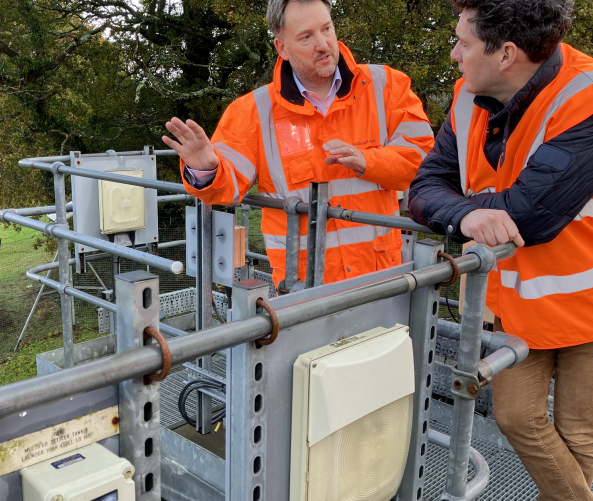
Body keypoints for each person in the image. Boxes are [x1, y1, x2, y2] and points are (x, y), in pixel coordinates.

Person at [407, 1, 593, 501]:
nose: (454, 55)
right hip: (519, 300)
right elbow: (423, 190)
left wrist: (463, 205)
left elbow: (528, 217)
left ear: (507, 54)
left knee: (577, 428)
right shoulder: (468, 98)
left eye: (463, 43)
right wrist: (469, 210)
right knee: (517, 417)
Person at [162, 0, 434, 289]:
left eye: (326, 29)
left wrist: (368, 162)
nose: (323, 44)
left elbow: (423, 163)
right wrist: (205, 170)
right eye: (306, 37)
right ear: (282, 48)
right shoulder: (253, 112)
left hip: (383, 281)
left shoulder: (386, 85)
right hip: (304, 289)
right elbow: (228, 185)